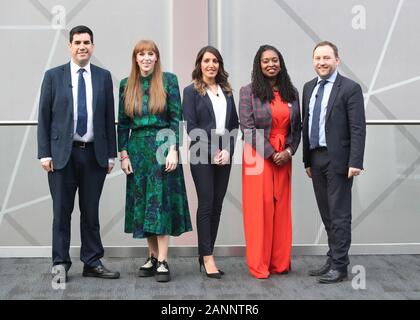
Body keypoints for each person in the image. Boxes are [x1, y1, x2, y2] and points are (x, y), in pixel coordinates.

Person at [37, 25, 120, 283]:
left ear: (92, 47)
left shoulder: (103, 77)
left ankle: (92, 261)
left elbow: (109, 118)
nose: (82, 46)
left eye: (87, 42)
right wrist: (44, 154)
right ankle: (60, 263)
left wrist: (110, 155)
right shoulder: (53, 76)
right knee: (61, 213)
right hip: (62, 156)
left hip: (94, 155)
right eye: (77, 42)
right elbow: (44, 117)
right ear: (69, 46)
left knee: (90, 212)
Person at [118, 40, 192, 283]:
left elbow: (175, 118)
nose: (146, 58)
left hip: (162, 146)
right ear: (135, 58)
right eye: (142, 54)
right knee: (143, 205)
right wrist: (124, 154)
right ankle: (151, 256)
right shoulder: (126, 85)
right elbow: (123, 124)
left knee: (159, 203)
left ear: (157, 57)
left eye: (151, 54)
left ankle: (163, 260)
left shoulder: (169, 80)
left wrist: (174, 150)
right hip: (137, 150)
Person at [302, 41, 366, 284]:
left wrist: (356, 161)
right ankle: (333, 258)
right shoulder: (309, 87)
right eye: (318, 58)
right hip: (316, 158)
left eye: (327, 58)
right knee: (326, 212)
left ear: (337, 60)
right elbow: (306, 124)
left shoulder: (350, 88)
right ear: (313, 61)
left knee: (339, 214)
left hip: (339, 159)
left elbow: (358, 128)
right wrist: (307, 160)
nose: (322, 62)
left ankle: (340, 266)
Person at [239, 45, 301, 279]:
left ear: (281, 63)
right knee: (259, 210)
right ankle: (259, 265)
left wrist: (289, 150)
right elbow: (247, 127)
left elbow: (298, 127)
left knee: (281, 209)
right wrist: (270, 153)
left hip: (284, 156)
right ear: (259, 64)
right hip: (257, 155)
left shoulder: (291, 92)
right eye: (265, 61)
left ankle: (279, 263)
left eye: (275, 60)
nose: (271, 64)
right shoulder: (248, 91)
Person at [183, 46, 239, 279]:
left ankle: (206, 253)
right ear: (199, 64)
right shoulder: (191, 91)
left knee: (217, 205)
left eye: (215, 60)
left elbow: (234, 125)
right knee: (206, 203)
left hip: (224, 153)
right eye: (207, 60)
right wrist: (214, 150)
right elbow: (191, 126)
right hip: (201, 151)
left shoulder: (226, 91)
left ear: (220, 65)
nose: (211, 65)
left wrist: (228, 150)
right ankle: (207, 258)